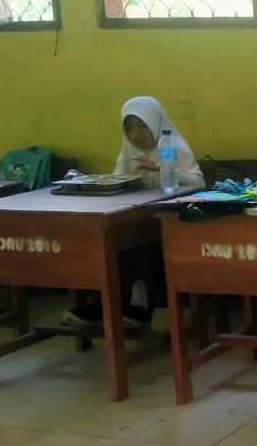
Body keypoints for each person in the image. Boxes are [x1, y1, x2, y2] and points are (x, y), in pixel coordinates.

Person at [64, 96, 203, 331]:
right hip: (138, 221)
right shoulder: (127, 153)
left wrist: (161, 168)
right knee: (109, 240)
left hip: (170, 227)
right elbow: (119, 182)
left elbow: (198, 182)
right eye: (129, 128)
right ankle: (101, 306)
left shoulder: (173, 147)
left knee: (135, 244)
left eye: (142, 125)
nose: (137, 134)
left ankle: (139, 308)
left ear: (155, 122)